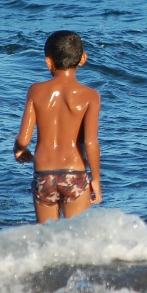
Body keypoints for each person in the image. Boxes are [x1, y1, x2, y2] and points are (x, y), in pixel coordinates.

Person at [14, 30, 101, 222]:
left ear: (48, 61)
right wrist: (95, 179)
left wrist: (19, 150)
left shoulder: (35, 91)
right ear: (83, 59)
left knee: (46, 237)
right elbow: (90, 142)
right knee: (77, 237)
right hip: (75, 174)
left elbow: (23, 139)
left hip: (43, 175)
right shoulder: (90, 96)